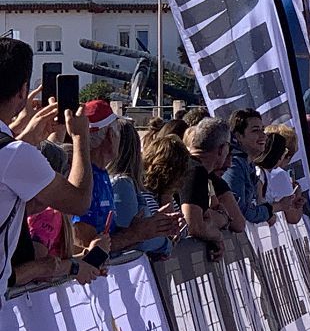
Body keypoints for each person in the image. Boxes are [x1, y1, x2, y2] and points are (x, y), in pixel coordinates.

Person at [0, 37, 94, 305]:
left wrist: (23, 138)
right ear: (22, 92)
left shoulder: (15, 152)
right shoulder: (15, 155)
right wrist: (79, 138)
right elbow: (78, 201)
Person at [73, 100, 180, 255]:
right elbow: (85, 247)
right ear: (111, 136)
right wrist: (136, 234)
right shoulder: (88, 180)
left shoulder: (101, 176)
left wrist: (150, 227)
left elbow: (106, 241)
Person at [223, 108, 302, 224]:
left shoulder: (248, 165)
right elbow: (241, 212)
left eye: (263, 130)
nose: (263, 136)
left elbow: (256, 204)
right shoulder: (233, 165)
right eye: (255, 131)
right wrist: (275, 208)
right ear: (239, 136)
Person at [180, 118, 244, 260]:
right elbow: (194, 225)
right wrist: (218, 235)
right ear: (222, 149)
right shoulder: (195, 171)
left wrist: (220, 218)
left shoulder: (200, 172)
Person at [109, 118, 173, 257]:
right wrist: (165, 243)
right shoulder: (122, 184)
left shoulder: (122, 182)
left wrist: (158, 224)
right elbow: (133, 238)